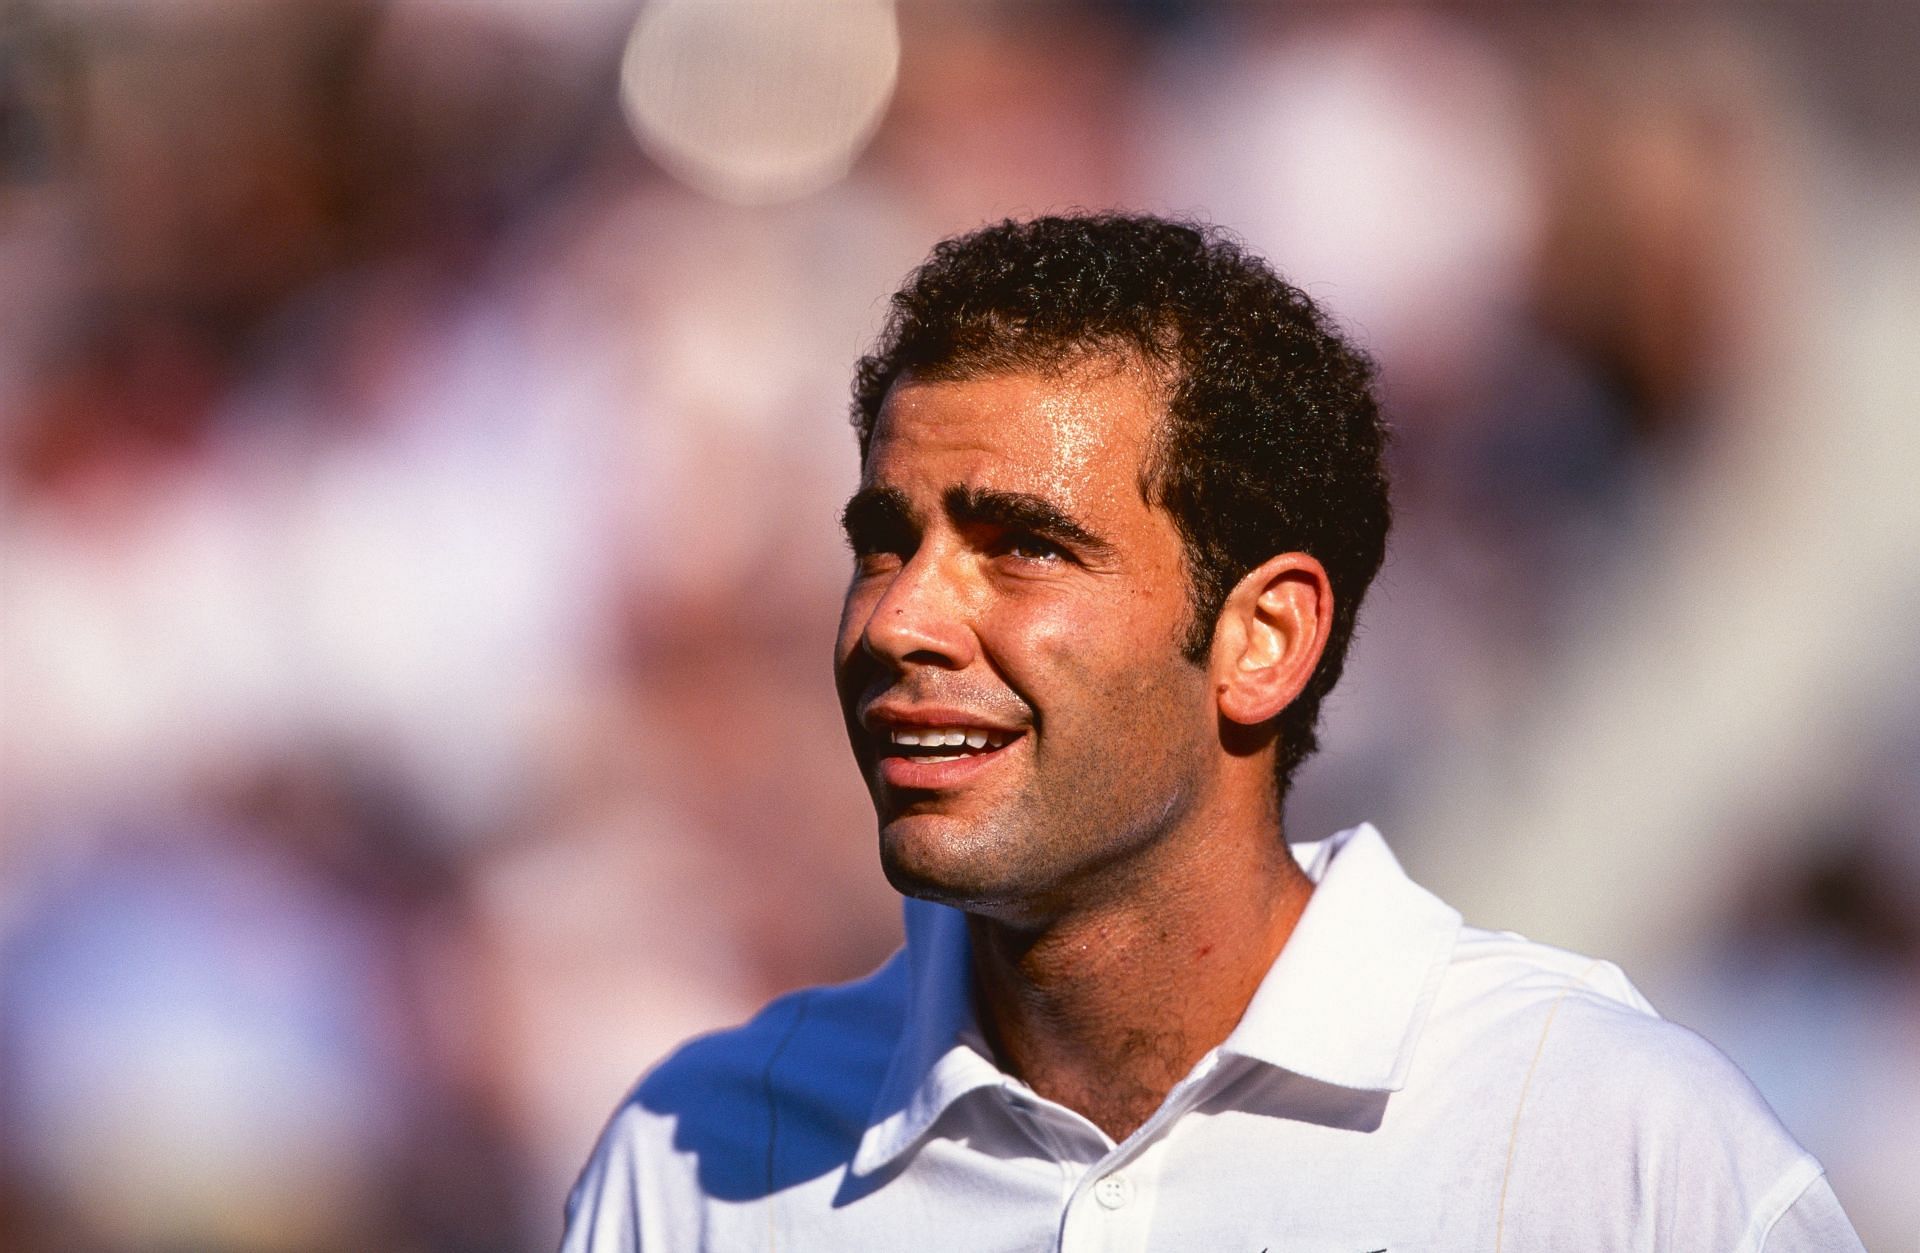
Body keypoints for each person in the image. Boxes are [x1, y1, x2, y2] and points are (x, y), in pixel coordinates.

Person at [562, 215, 1862, 1251]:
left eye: (1023, 546)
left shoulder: (1623, 1155)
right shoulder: (699, 1161)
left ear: (1263, 641)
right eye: (885, 544)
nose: (900, 618)